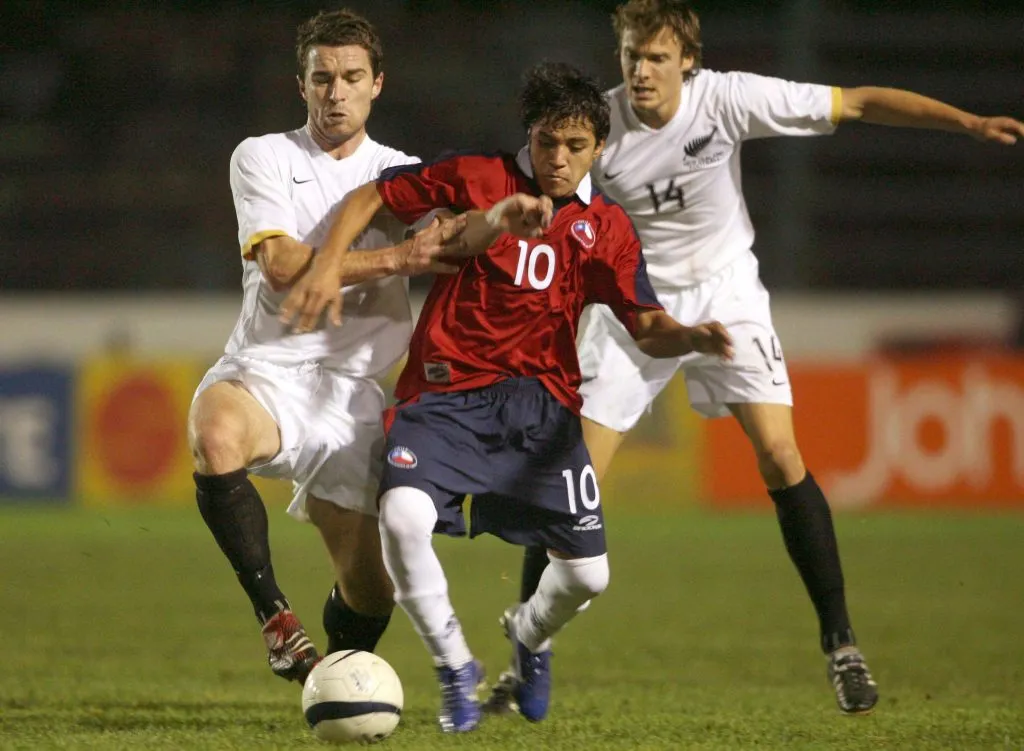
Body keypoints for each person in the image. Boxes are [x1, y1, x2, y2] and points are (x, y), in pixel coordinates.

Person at [490, 0, 1024, 716]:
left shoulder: (730, 98)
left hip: (726, 299)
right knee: (570, 484)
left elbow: (860, 103)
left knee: (779, 455)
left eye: (655, 56)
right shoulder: (600, 127)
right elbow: (519, 188)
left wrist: (967, 123)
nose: (640, 70)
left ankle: (842, 646)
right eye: (630, 55)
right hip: (632, 310)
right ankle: (529, 655)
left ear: (688, 59)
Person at [281, 61, 733, 731]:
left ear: (598, 149)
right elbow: (373, 197)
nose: (557, 158)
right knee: (402, 520)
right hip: (444, 397)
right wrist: (326, 265)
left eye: (575, 146)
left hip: (542, 413)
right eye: (547, 141)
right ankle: (455, 666)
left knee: (588, 577)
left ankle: (529, 631)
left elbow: (647, 326)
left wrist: (692, 335)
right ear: (531, 132)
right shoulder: (478, 177)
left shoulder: (606, 228)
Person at [188, 8, 472, 684]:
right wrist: (402, 257)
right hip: (269, 371)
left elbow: (454, 242)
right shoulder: (263, 155)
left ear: (377, 84)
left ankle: (342, 683)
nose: (335, 91)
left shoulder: (401, 171)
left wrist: (501, 219)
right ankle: (277, 619)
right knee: (215, 431)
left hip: (354, 396)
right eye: (322, 78)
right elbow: (284, 266)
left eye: (350, 77)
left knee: (373, 590)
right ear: (302, 85)